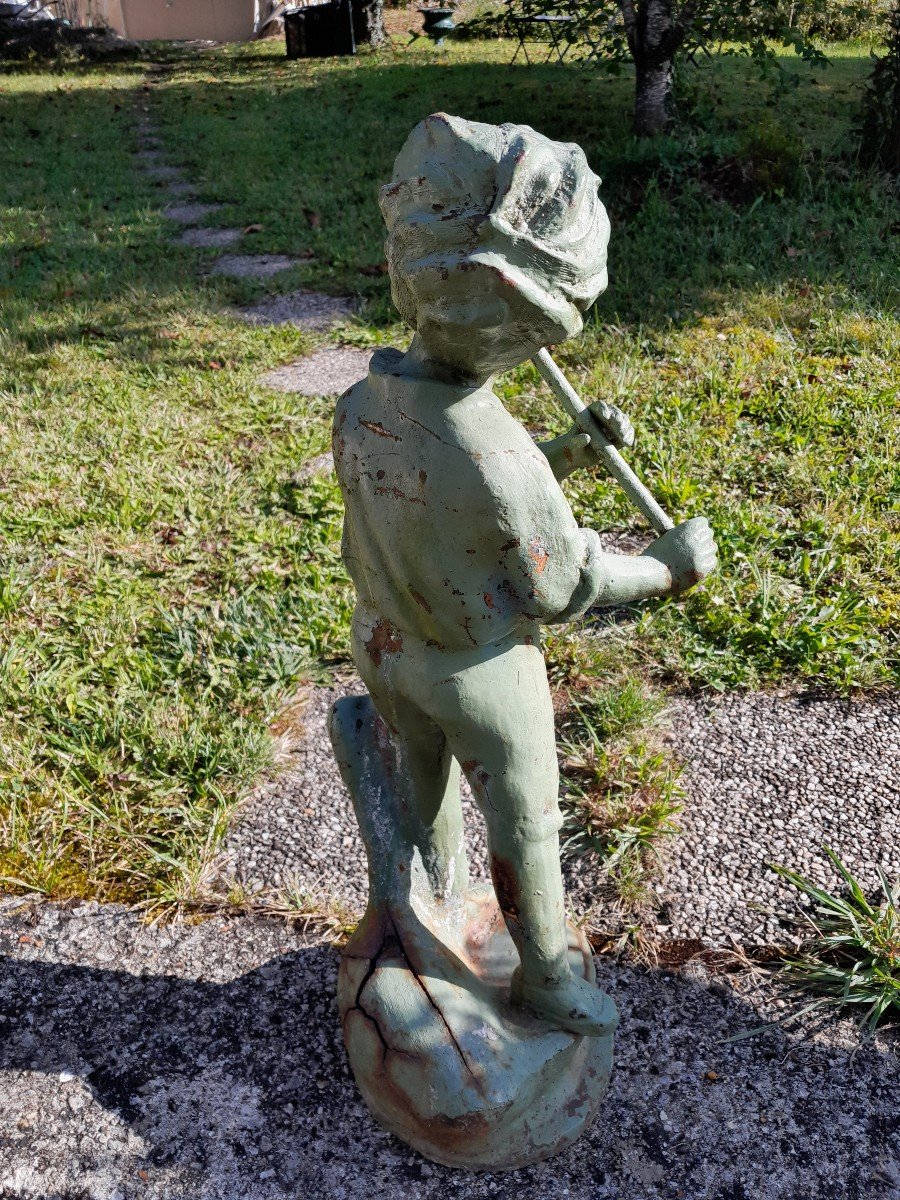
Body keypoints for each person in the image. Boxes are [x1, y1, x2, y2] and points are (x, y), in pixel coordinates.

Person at [332, 113, 717, 1036]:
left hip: (386, 644)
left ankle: (432, 905)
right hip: (481, 671)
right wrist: (665, 568)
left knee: (420, 785)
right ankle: (546, 979)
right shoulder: (500, 457)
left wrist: (564, 458)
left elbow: (442, 491)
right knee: (527, 822)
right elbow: (560, 582)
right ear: (522, 324)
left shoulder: (359, 402)